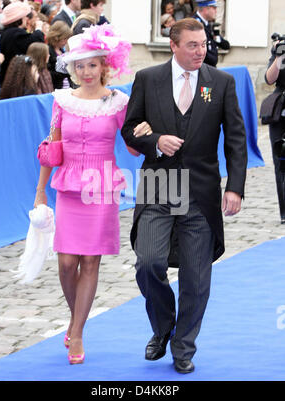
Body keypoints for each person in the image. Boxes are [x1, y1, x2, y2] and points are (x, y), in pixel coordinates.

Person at [121, 18, 247, 374]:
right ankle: (163, 327)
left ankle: (183, 347)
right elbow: (129, 129)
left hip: (201, 191)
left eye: (203, 44)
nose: (200, 50)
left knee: (196, 278)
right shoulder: (148, 79)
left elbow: (236, 138)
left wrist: (234, 186)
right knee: (148, 263)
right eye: (192, 45)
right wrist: (154, 141)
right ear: (173, 45)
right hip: (159, 185)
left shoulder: (221, 82)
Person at [34, 24, 151, 365]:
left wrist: (143, 132)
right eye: (79, 66)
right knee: (67, 263)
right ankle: (76, 318)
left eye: (92, 64)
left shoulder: (118, 103)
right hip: (69, 187)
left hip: (101, 189)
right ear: (72, 68)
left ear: (105, 65)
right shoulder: (61, 101)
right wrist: (40, 191)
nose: (86, 72)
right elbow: (51, 149)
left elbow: (131, 149)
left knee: (89, 261)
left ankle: (78, 331)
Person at [264, 38, 285, 224]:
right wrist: (279, 56)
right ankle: (284, 211)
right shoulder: (281, 47)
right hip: (281, 111)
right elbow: (269, 79)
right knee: (281, 160)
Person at [0, 1, 44, 84]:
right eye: (25, 16)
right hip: (16, 80)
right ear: (19, 18)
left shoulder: (8, 32)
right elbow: (36, 42)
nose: (27, 19)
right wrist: (38, 29)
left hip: (11, 77)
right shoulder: (16, 34)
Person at [193, 0, 230, 67]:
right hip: (202, 69)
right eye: (214, 8)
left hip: (209, 68)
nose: (216, 11)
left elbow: (226, 46)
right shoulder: (195, 24)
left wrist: (217, 38)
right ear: (206, 8)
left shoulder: (208, 24)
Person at [46, 20, 72, 89]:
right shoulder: (48, 51)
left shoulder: (62, 51)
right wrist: (64, 73)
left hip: (67, 87)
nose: (66, 42)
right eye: (64, 39)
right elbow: (48, 73)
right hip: (56, 88)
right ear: (56, 37)